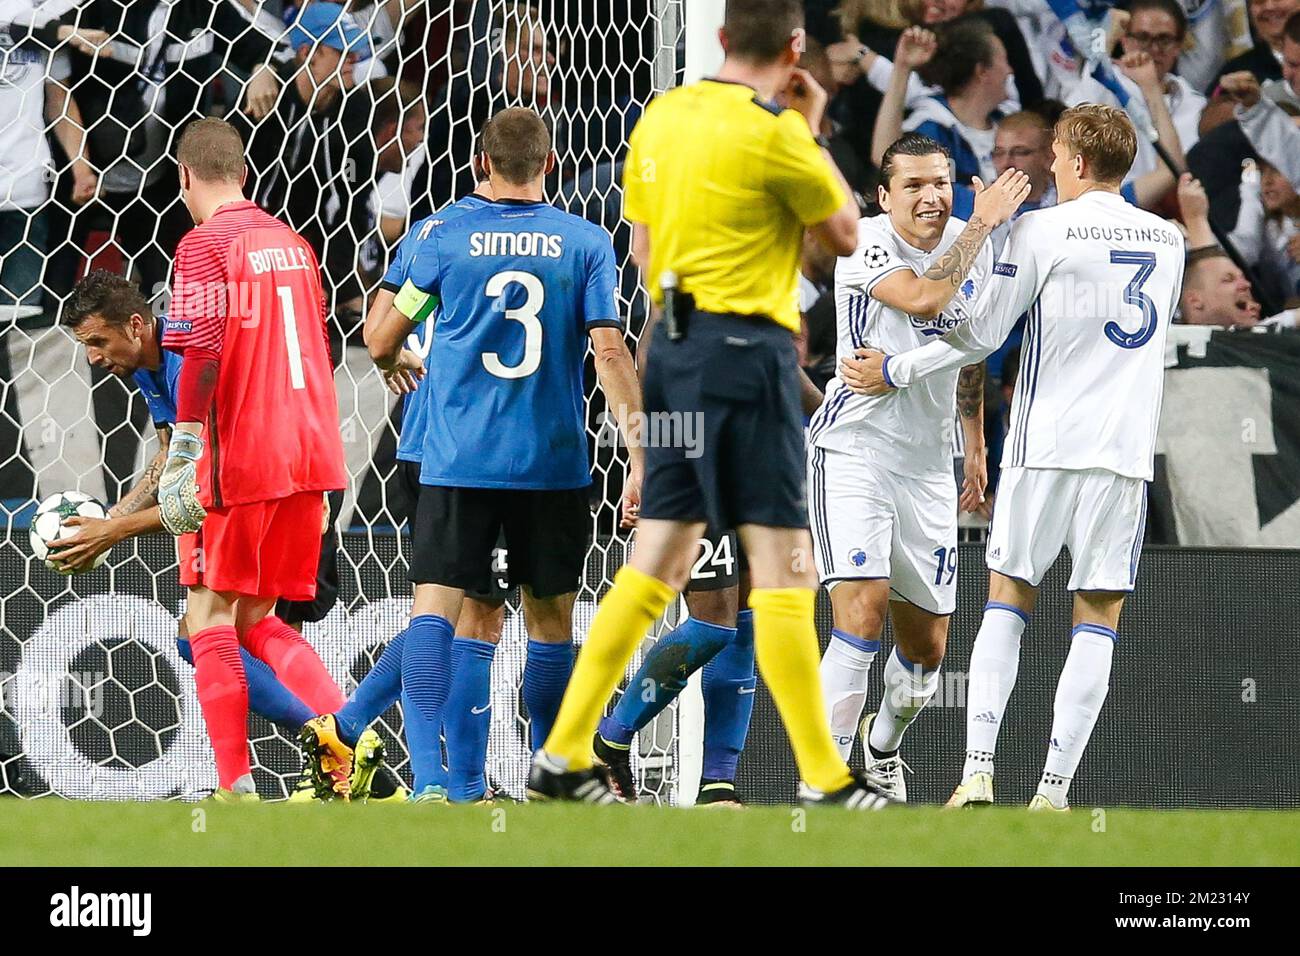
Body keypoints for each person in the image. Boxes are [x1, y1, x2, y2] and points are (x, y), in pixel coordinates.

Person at [529, 0, 890, 810]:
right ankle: (826, 776)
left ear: (721, 38)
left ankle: (562, 752)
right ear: (796, 48)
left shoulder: (659, 119)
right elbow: (845, 232)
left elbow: (647, 250)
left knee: (657, 559)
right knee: (786, 561)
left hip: (674, 357)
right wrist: (814, 121)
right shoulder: (775, 129)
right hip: (747, 359)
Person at [841, 104, 1185, 811]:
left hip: (1045, 442)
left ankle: (977, 774)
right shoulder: (1170, 238)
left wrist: (900, 369)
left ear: (1080, 162)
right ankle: (1055, 791)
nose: (1048, 166)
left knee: (1010, 598)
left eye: (1056, 155)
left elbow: (978, 335)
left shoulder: (1041, 228)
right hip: (1124, 450)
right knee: (1098, 615)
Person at [367, 107, 643, 805]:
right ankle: (555, 777)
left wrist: (397, 353)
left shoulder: (441, 237)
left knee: (436, 610)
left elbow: (378, 339)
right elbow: (609, 351)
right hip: (552, 464)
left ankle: (433, 784)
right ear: (549, 166)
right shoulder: (585, 242)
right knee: (550, 622)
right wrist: (641, 453)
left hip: (459, 460)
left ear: (480, 163)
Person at [54, 270, 397, 800]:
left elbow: (195, 496)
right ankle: (350, 736)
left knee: (206, 629)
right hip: (298, 478)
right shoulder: (153, 367)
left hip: (253, 485)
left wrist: (112, 531)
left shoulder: (189, 361)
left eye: (99, 341)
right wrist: (108, 516)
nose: (94, 356)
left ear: (138, 324)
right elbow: (170, 462)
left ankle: (244, 782)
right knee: (248, 624)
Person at [808, 133, 1028, 800]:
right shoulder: (867, 243)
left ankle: (881, 747)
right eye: (914, 185)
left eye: (942, 182)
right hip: (855, 452)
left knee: (928, 651)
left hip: (930, 466)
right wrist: (985, 221)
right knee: (862, 611)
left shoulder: (974, 241)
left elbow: (972, 342)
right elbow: (928, 299)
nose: (932, 196)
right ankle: (823, 785)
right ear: (884, 196)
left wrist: (974, 435)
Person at [298, 149, 508, 806]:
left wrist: (394, 352)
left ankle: (351, 728)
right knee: (472, 617)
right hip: (477, 444)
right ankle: (439, 786)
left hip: (432, 440)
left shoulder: (433, 231)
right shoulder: (548, 237)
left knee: (453, 609)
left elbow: (379, 322)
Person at [157, 118, 352, 802]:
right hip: (309, 452)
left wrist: (184, 445)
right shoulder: (294, 246)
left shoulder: (205, 245)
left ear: (186, 177)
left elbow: (202, 353)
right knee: (256, 620)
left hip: (244, 455)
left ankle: (234, 786)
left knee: (206, 617)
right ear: (245, 174)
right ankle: (351, 750)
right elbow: (317, 352)